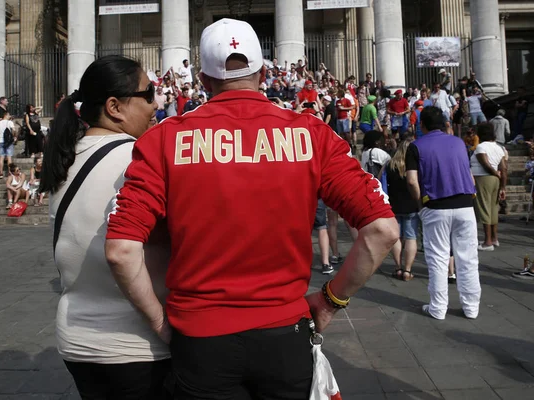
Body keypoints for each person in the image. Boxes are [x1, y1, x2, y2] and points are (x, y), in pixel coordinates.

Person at [105, 18, 398, 400]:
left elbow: (121, 250)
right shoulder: (311, 134)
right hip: (286, 333)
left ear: (204, 81)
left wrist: (161, 323)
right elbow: (383, 231)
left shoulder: (164, 138)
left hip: (200, 338)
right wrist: (330, 302)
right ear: (263, 73)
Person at [39, 55, 171, 399]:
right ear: (115, 106)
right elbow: (122, 254)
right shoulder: (139, 158)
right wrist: (161, 322)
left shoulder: (66, 157)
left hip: (76, 340)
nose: (156, 102)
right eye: (148, 92)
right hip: (138, 343)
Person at [406, 106, 481, 320]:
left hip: (435, 205)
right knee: (468, 258)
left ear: (422, 125)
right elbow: (470, 175)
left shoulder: (416, 146)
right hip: (466, 204)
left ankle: (438, 308)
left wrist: (420, 205)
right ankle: (471, 307)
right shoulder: (459, 143)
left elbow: (412, 181)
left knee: (437, 258)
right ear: (446, 123)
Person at [384, 140, 419, 281]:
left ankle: (398, 267)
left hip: (394, 206)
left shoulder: (389, 165)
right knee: (411, 237)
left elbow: (382, 183)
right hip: (412, 205)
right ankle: (407, 270)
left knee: (396, 238)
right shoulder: (415, 166)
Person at [470, 123, 507, 251]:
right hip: (495, 180)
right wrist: (503, 185)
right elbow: (503, 167)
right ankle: (494, 238)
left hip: (483, 178)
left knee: (484, 207)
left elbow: (485, 163)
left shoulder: (481, 147)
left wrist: (493, 172)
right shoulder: (498, 147)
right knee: (493, 208)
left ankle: (488, 242)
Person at [0, 112, 16, 179]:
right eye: (9, 115)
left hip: (1, 141)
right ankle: (10, 173)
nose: (10, 116)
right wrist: (13, 136)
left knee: (1, 157)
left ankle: (1, 173)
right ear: (6, 115)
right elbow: (14, 130)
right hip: (8, 141)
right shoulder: (9, 122)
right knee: (9, 157)